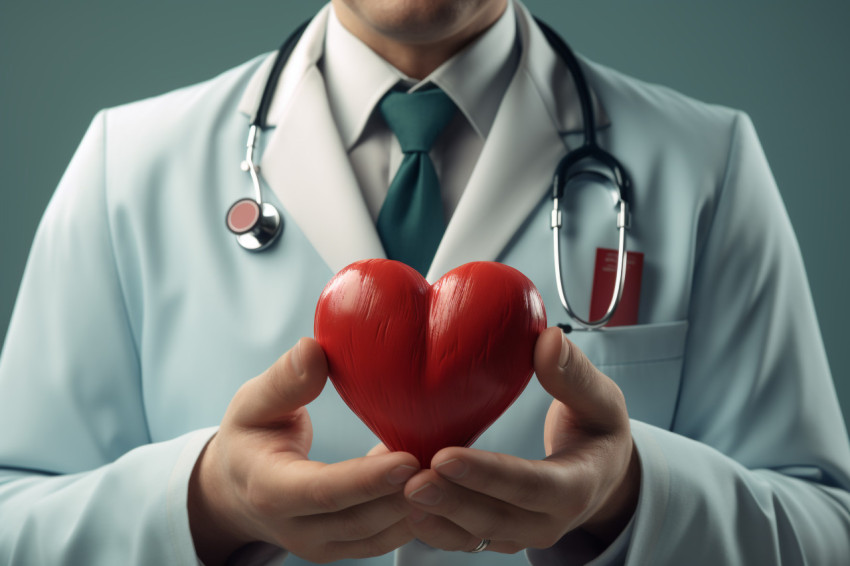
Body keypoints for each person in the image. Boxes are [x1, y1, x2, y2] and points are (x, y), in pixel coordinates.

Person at [1, 0, 849, 564]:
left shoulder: (706, 161)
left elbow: (825, 531)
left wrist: (630, 495)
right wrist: (208, 502)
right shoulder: (128, 162)